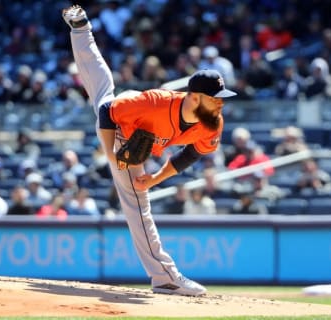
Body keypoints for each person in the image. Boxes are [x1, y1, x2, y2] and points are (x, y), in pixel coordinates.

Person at [62, 5, 237, 296]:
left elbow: (192, 153)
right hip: (121, 124)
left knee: (103, 87)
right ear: (194, 97)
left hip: (138, 121)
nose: (221, 103)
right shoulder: (157, 102)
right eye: (215, 98)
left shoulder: (212, 122)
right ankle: (164, 277)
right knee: (138, 203)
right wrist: (111, 156)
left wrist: (156, 178)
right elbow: (107, 113)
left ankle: (80, 28)